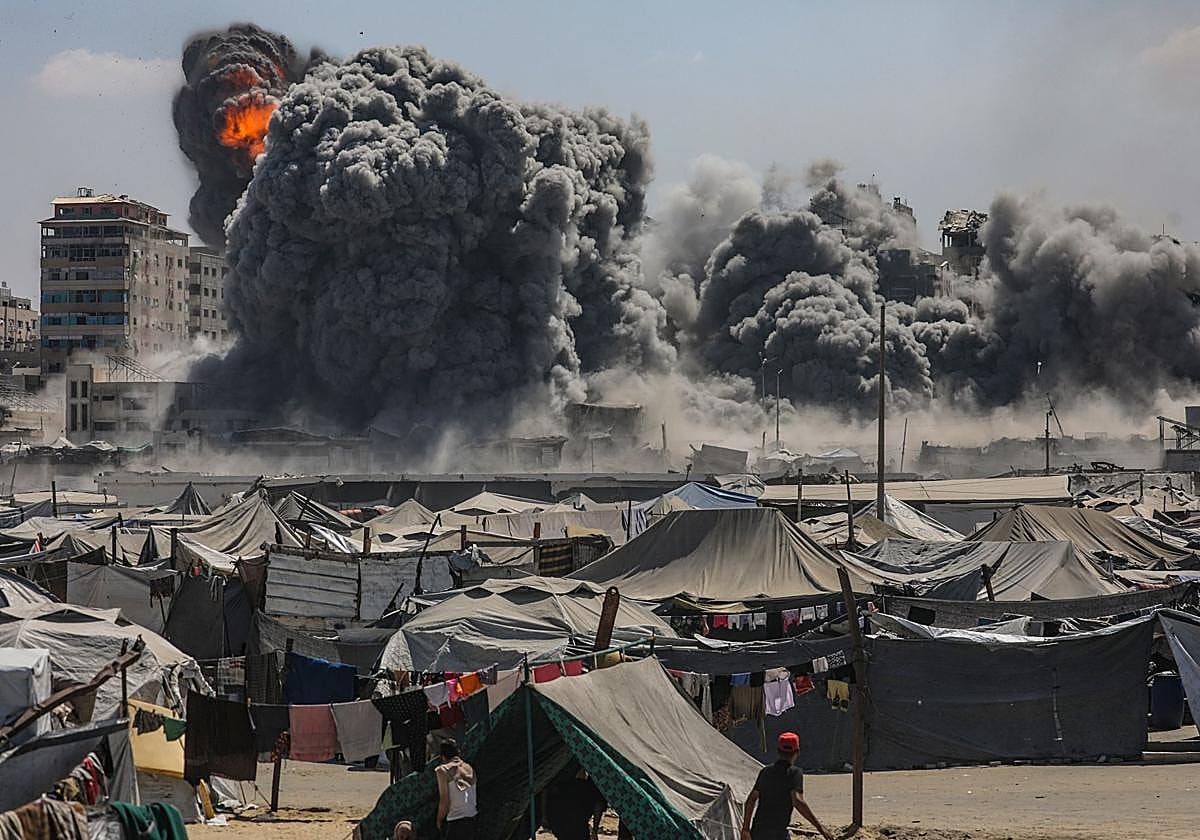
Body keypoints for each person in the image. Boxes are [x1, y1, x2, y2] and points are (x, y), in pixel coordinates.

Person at [740, 732, 833, 840]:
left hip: (758, 832)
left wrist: (745, 828)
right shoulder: (794, 773)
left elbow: (751, 799)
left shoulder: (765, 772)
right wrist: (820, 828)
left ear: (778, 751)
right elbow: (798, 801)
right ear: (797, 752)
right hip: (778, 833)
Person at [544, 767, 604, 840]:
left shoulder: (582, 785)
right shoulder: (593, 787)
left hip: (561, 818)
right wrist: (594, 829)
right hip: (570, 820)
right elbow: (598, 806)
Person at [435, 740, 477, 839]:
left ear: (443, 756)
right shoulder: (469, 768)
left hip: (456, 821)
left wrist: (439, 820)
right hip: (472, 818)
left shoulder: (442, 770)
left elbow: (444, 800)